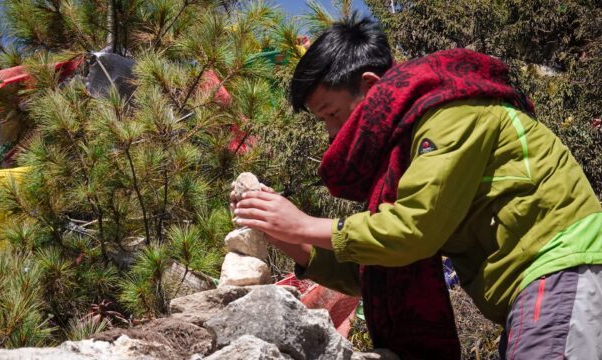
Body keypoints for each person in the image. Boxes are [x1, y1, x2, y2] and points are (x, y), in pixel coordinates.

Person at [232, 15, 602, 359]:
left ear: (370, 87)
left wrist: (302, 224)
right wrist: (287, 237)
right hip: (542, 287)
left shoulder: (452, 114)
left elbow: (413, 231)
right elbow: (379, 263)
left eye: (331, 114)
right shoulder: (403, 152)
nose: (331, 133)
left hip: (563, 270)